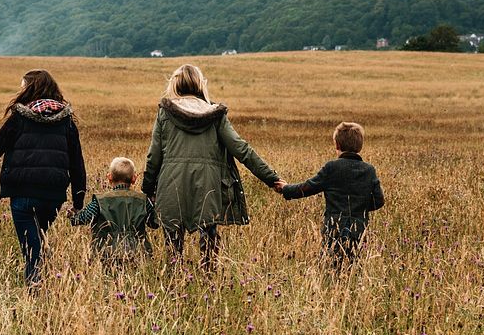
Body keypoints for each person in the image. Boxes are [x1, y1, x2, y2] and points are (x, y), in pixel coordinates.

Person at [0, 69, 86, 286]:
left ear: (30, 89)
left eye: (23, 86)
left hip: (22, 194)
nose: (20, 90)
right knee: (37, 240)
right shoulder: (66, 121)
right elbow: (77, 165)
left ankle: (35, 292)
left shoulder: (19, 119)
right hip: (53, 196)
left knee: (32, 250)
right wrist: (78, 203)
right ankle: (46, 280)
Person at [142, 64, 284, 269]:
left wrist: (147, 188)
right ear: (200, 84)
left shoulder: (165, 113)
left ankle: (174, 287)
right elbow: (241, 149)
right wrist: (271, 178)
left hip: (170, 184)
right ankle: (209, 282)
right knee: (209, 239)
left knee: (173, 246)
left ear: (174, 84)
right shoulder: (215, 114)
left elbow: (153, 156)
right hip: (208, 184)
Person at [280, 122, 384, 267]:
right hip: (359, 230)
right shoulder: (369, 170)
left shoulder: (332, 167)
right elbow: (379, 201)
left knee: (330, 266)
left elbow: (308, 187)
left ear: (337, 145)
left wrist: (286, 189)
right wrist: (359, 208)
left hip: (334, 229)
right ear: (360, 146)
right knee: (354, 267)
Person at [70, 157, 158, 264]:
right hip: (139, 255)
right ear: (134, 179)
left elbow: (82, 219)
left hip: (106, 254)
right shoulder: (143, 201)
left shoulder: (100, 201)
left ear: (109, 177)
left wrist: (73, 215)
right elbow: (154, 223)